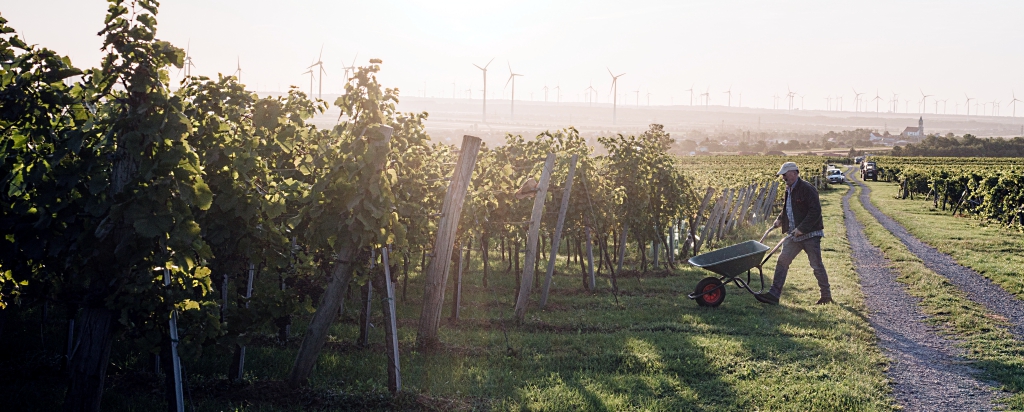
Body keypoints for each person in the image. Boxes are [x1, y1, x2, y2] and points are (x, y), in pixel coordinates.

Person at [754, 162, 832, 305]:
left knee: (816, 265)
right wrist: (779, 220)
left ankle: (826, 296)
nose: (783, 177)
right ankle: (773, 295)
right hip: (793, 235)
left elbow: (815, 212)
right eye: (782, 175)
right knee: (782, 261)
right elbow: (788, 208)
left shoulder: (807, 189)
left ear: (794, 173)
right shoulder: (789, 189)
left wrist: (801, 229)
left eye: (785, 174)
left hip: (810, 235)